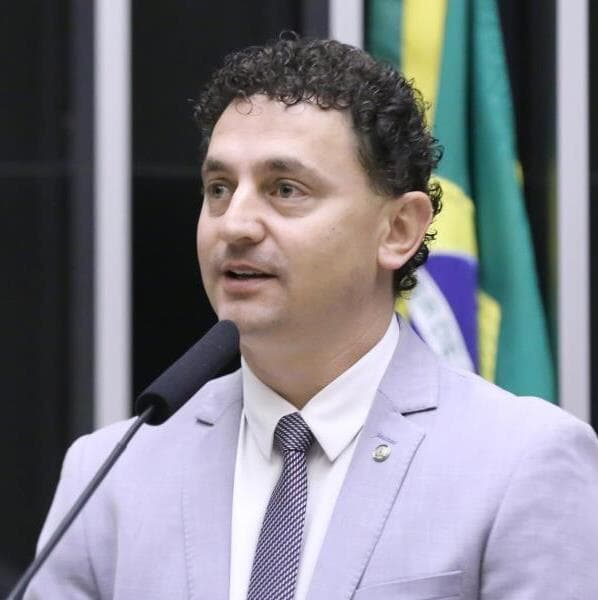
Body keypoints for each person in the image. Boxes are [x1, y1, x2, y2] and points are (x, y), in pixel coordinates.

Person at [27, 36, 598, 600]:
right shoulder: (109, 473)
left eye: (285, 189)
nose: (235, 224)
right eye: (219, 188)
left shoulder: (521, 461)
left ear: (398, 229)